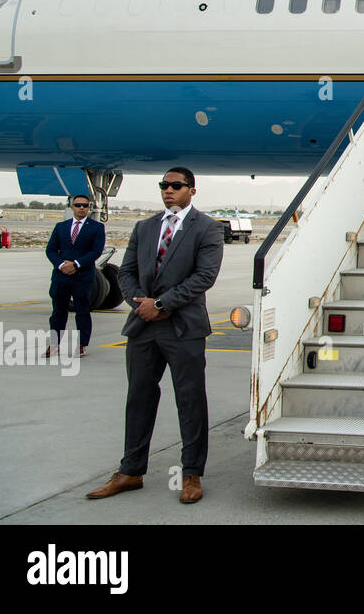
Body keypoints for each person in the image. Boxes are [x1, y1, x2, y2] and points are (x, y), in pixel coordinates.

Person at [86, 167, 224, 505]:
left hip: (183, 327)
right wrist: (140, 304)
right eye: (164, 185)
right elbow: (128, 272)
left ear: (192, 190)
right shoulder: (145, 227)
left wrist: (161, 304)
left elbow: (204, 276)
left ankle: (191, 473)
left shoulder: (207, 228)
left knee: (190, 400)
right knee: (138, 398)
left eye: (176, 186)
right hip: (143, 326)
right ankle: (131, 470)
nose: (168, 191)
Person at [44, 195, 105, 358]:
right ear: (72, 207)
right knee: (58, 311)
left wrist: (76, 264)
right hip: (61, 276)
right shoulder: (60, 227)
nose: (82, 208)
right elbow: (50, 250)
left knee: (82, 311)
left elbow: (96, 251)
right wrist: (61, 265)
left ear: (89, 208)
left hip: (82, 276)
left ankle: (81, 345)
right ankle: (55, 344)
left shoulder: (97, 227)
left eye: (85, 205)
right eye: (78, 205)